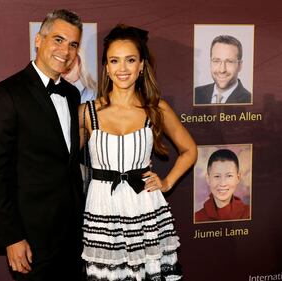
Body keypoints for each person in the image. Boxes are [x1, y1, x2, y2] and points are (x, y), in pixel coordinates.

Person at [78, 24, 197, 281]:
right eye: (114, 61)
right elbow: (63, 164)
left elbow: (189, 150)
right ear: (106, 67)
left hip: (144, 208)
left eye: (130, 60)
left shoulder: (156, 109)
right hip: (102, 210)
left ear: (141, 65)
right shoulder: (86, 112)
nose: (122, 69)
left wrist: (166, 182)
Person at [0, 9, 84, 281]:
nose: (66, 50)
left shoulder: (73, 95)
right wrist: (12, 237)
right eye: (58, 40)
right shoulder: (6, 95)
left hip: (74, 237)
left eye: (73, 44)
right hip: (32, 239)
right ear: (39, 40)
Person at [195, 149, 250, 222]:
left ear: (238, 178)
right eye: (217, 176)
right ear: (208, 179)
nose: (223, 183)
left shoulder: (249, 213)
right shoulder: (197, 218)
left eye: (229, 176)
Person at [194, 35, 252, 105]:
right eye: (216, 61)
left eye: (229, 61)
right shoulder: (196, 94)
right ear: (210, 62)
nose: (222, 70)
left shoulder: (250, 100)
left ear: (240, 65)